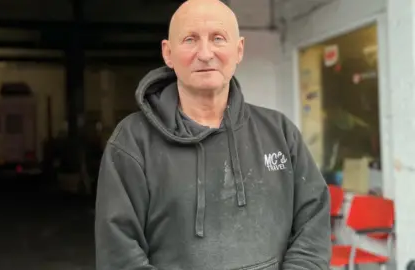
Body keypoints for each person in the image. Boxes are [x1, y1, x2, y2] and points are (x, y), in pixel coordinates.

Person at [95, 0, 331, 269]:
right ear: (168, 53)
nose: (205, 53)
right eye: (190, 39)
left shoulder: (280, 132)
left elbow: (313, 225)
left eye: (218, 38)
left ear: (239, 49)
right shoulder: (132, 141)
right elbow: (119, 253)